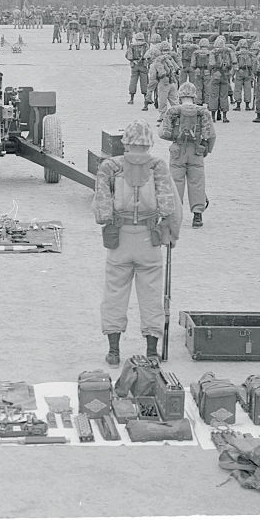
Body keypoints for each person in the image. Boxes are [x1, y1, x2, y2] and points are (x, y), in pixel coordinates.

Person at [93, 118, 181, 366]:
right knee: (152, 296)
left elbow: (101, 211)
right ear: (149, 143)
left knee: (114, 294)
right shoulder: (158, 166)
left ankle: (113, 352)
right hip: (148, 240)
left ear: (125, 142)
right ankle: (152, 351)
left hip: (119, 240)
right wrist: (172, 235)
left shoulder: (110, 166)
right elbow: (169, 207)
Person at [159, 82, 216, 229]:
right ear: (194, 95)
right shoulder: (202, 112)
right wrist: (206, 150)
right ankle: (197, 215)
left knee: (175, 183)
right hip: (196, 150)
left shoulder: (173, 111)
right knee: (197, 182)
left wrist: (175, 138)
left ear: (180, 95)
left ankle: (173, 215)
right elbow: (211, 135)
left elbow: (163, 133)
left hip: (178, 150)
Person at [125, 33, 151, 108]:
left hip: (134, 65)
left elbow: (127, 55)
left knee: (133, 81)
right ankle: (146, 98)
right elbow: (148, 55)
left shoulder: (132, 45)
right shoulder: (145, 45)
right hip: (143, 64)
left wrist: (133, 60)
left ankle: (131, 99)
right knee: (145, 82)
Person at [233, 39, 255, 112]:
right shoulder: (250, 54)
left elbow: (234, 64)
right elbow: (253, 65)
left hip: (239, 71)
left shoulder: (236, 54)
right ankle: (247, 105)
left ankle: (238, 105)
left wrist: (232, 74)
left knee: (237, 89)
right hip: (247, 72)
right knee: (248, 89)